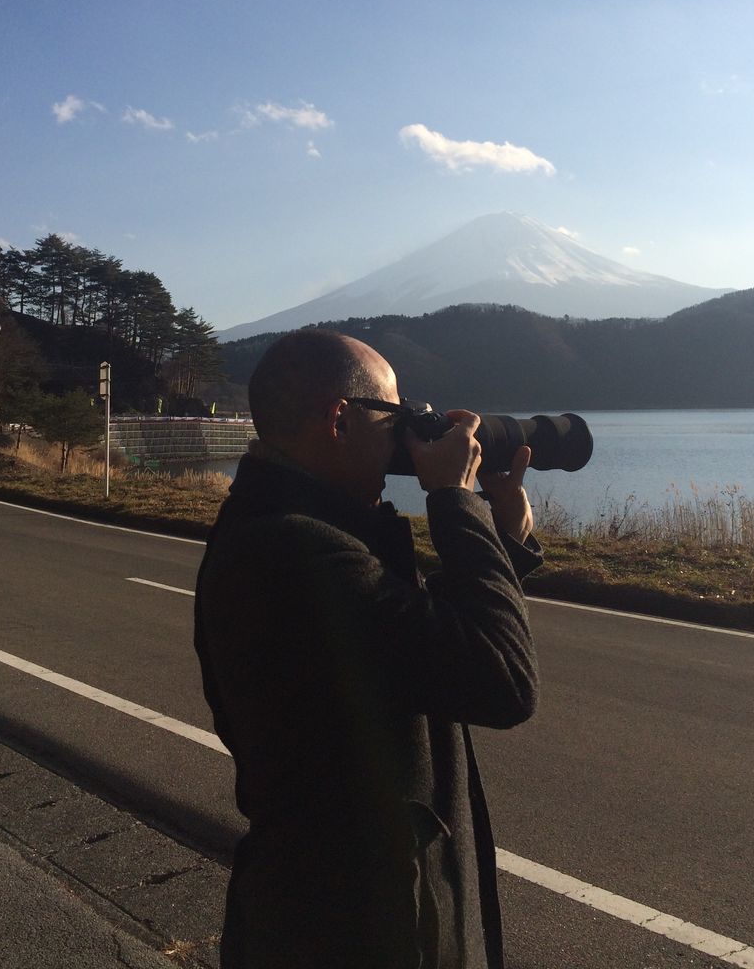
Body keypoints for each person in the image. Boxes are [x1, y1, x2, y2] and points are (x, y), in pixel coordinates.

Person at [194, 328, 542, 968]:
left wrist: (501, 546)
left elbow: (415, 646)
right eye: (395, 413)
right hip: (358, 929)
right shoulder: (294, 547)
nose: (409, 434)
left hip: (352, 912)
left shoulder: (290, 529)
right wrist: (455, 501)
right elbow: (500, 682)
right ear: (339, 420)